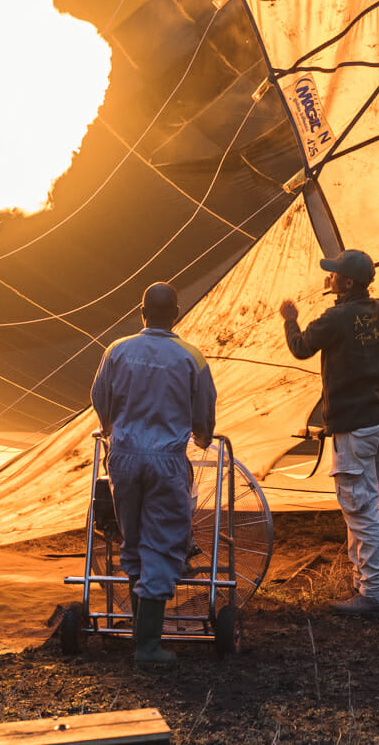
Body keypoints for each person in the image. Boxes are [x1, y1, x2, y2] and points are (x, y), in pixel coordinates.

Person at [89, 281, 216, 666]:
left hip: (124, 457)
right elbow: (204, 415)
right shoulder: (191, 358)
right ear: (176, 314)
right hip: (165, 460)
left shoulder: (117, 350)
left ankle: (136, 629)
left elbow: (99, 397)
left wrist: (112, 427)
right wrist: (202, 435)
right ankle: (147, 646)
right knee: (161, 544)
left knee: (132, 539)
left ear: (141, 313)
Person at [279, 248, 379, 619]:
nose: (328, 278)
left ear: (347, 282)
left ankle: (371, 596)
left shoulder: (337, 318)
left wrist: (290, 319)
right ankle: (363, 585)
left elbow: (301, 347)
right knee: (366, 505)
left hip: (355, 427)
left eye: (334, 275)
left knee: (361, 512)